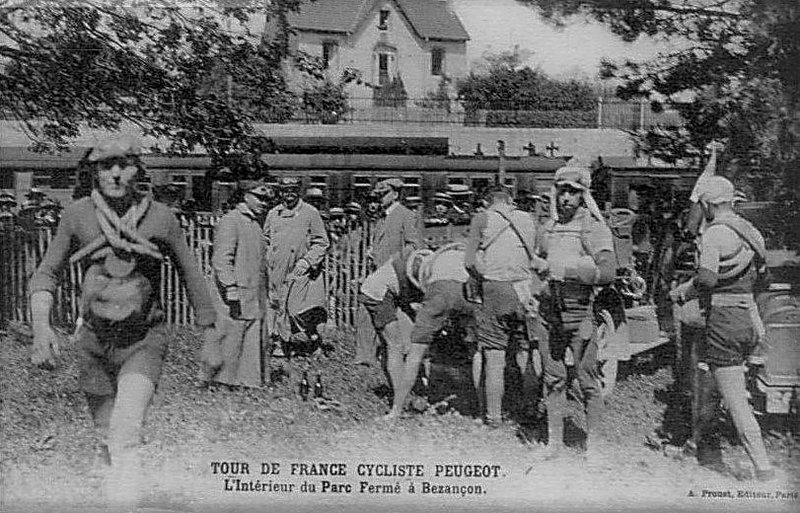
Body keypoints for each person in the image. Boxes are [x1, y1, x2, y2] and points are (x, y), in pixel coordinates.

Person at [27, 135, 221, 505]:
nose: (115, 173)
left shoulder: (161, 218)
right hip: (94, 343)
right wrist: (40, 327)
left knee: (126, 429)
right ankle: (107, 479)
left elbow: (192, 276)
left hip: (143, 341)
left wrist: (211, 337)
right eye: (106, 166)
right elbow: (46, 274)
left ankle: (123, 499)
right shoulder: (77, 216)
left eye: (124, 164)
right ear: (94, 172)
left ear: (138, 170)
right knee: (105, 431)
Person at [669, 175, 775, 481]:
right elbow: (761, 279)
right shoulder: (751, 232)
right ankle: (701, 447)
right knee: (709, 381)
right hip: (751, 319)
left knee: (735, 399)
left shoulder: (715, 234)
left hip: (724, 322)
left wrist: (683, 292)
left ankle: (763, 469)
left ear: (706, 204)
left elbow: (707, 279)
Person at [537, 164, 616, 457]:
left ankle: (594, 447)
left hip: (579, 313)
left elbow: (608, 272)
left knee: (587, 381)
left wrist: (567, 271)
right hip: (549, 313)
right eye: (562, 191)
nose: (566, 197)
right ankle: (554, 444)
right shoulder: (547, 228)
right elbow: (538, 265)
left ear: (583, 195)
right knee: (553, 378)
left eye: (573, 191)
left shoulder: (592, 228)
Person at [463, 185, 544, 427]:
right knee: (527, 352)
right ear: (510, 201)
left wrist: (484, 275)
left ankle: (494, 417)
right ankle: (531, 407)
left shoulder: (482, 218)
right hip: (524, 289)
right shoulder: (528, 218)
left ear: (488, 202)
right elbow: (543, 252)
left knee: (494, 358)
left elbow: (468, 262)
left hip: (495, 290)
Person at [377, 243, 476, 419]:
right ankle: (480, 410)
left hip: (438, 292)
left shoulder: (433, 261)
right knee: (477, 351)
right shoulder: (464, 253)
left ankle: (396, 411)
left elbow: (425, 285)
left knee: (415, 354)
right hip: (465, 292)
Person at [209, 180, 272, 388]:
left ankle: (249, 381)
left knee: (253, 336)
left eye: (267, 199)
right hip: (236, 292)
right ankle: (222, 381)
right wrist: (230, 286)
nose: (264, 202)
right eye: (260, 197)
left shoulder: (255, 223)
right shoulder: (231, 221)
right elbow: (221, 259)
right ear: (245, 196)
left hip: (254, 291)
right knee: (233, 336)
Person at [263, 176, 330, 357]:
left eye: (293, 189)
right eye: (285, 190)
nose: (289, 194)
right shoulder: (273, 214)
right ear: (280, 192)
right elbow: (266, 239)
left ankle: (313, 338)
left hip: (300, 270)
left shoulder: (310, 212)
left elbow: (322, 242)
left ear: (298, 191)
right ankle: (279, 344)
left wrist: (307, 261)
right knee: (276, 305)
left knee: (296, 309)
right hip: (276, 268)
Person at [357, 178, 421, 366]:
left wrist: (394, 260)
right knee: (372, 310)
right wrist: (372, 251)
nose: (380, 198)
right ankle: (368, 356)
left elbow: (413, 245)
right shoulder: (383, 216)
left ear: (395, 194)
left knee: (395, 316)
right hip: (379, 273)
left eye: (383, 194)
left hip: (394, 274)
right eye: (378, 195)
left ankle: (398, 354)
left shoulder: (405, 215)